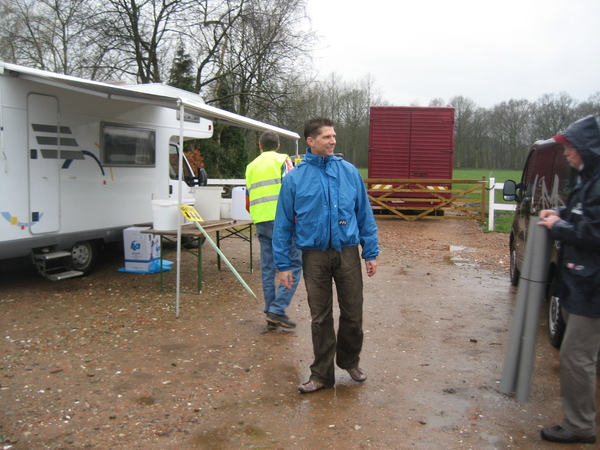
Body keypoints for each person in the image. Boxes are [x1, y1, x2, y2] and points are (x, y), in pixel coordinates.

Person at [273, 117, 379, 393]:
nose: (333, 141)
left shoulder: (349, 172)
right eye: (326, 137)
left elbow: (364, 214)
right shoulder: (295, 177)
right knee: (320, 318)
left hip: (347, 253)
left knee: (353, 313)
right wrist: (283, 264)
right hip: (314, 256)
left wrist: (371, 252)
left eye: (334, 136)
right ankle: (321, 375)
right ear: (311, 141)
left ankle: (349, 360)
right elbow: (283, 224)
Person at [537, 115, 600, 444]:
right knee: (579, 355)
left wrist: (556, 227)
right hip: (582, 281)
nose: (566, 153)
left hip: (593, 287)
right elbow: (583, 217)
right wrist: (560, 215)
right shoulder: (588, 179)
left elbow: (594, 232)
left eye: (571, 147)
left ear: (587, 148)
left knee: (576, 357)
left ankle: (580, 425)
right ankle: (578, 420)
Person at [245, 130, 302, 330]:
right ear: (278, 146)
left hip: (261, 219)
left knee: (268, 268)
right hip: (283, 220)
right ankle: (277, 309)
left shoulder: (251, 166)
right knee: (294, 263)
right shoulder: (284, 160)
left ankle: (271, 311)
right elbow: (294, 187)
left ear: (260, 146)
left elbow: (248, 197)